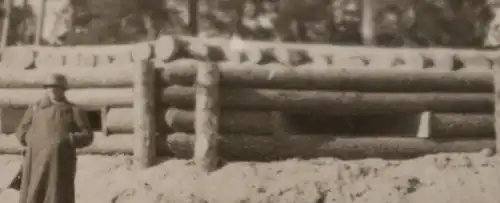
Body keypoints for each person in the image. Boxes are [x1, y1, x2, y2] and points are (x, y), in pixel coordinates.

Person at [15, 73, 94, 203]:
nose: (51, 90)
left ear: (63, 90)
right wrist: (32, 140)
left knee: (58, 194)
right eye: (48, 87)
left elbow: (88, 135)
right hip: (35, 160)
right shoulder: (35, 108)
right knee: (34, 193)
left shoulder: (73, 110)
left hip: (60, 162)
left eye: (55, 87)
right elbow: (21, 130)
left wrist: (69, 139)